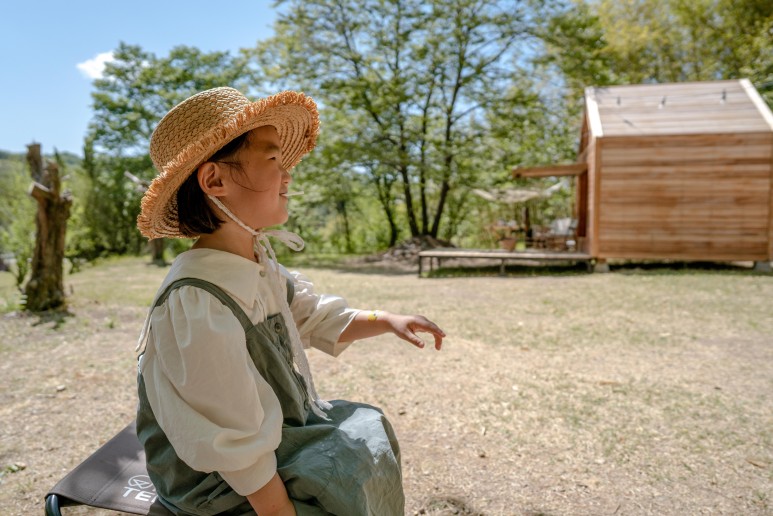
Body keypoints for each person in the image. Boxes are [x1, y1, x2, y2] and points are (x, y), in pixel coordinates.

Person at [134, 87, 445, 516]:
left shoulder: (253, 264)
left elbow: (315, 317)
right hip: (218, 484)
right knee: (347, 468)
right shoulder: (197, 299)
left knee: (366, 428)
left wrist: (386, 319)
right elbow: (232, 437)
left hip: (266, 446)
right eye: (273, 158)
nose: (288, 174)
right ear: (215, 181)